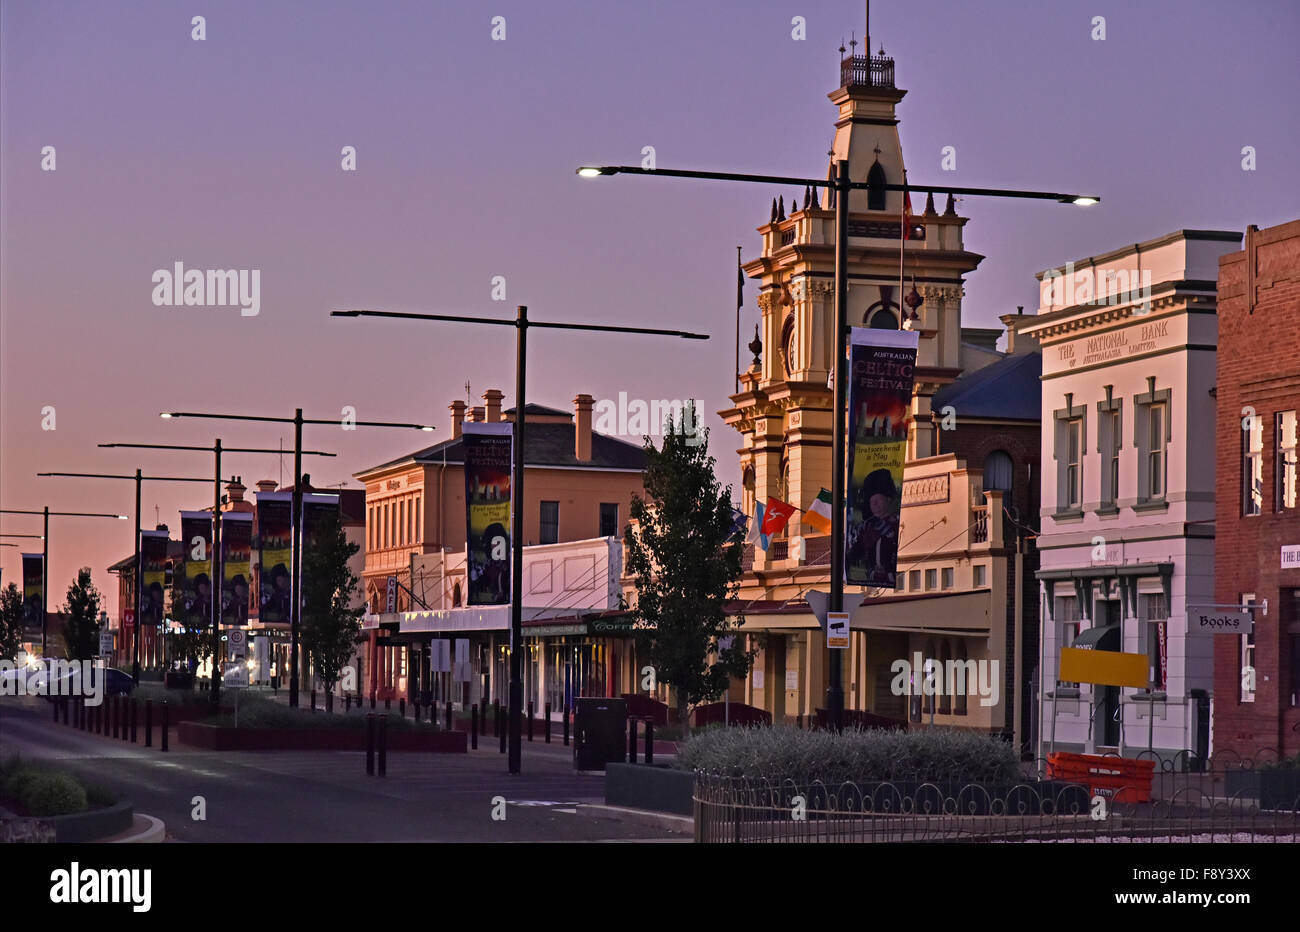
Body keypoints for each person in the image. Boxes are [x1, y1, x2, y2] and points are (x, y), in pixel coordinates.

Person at [847, 468, 900, 587]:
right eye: (871, 502)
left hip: (891, 576)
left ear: (888, 499)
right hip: (872, 577)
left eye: (877, 500)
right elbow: (855, 554)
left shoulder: (896, 522)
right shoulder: (867, 526)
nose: (874, 504)